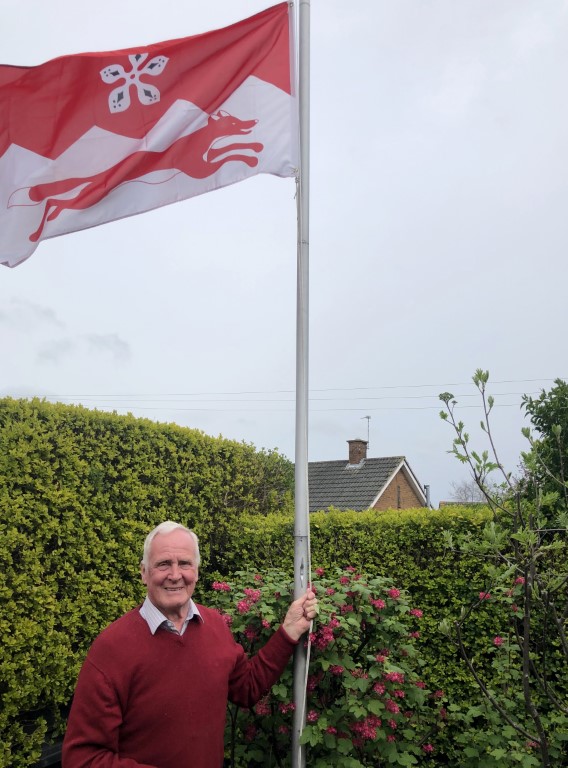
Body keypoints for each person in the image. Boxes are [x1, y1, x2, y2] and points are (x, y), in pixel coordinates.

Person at [62, 521, 317, 768]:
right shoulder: (112, 648)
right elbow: (82, 758)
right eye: (163, 564)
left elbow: (247, 688)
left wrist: (289, 631)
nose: (175, 575)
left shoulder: (215, 625)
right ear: (143, 572)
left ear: (196, 571)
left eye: (184, 563)